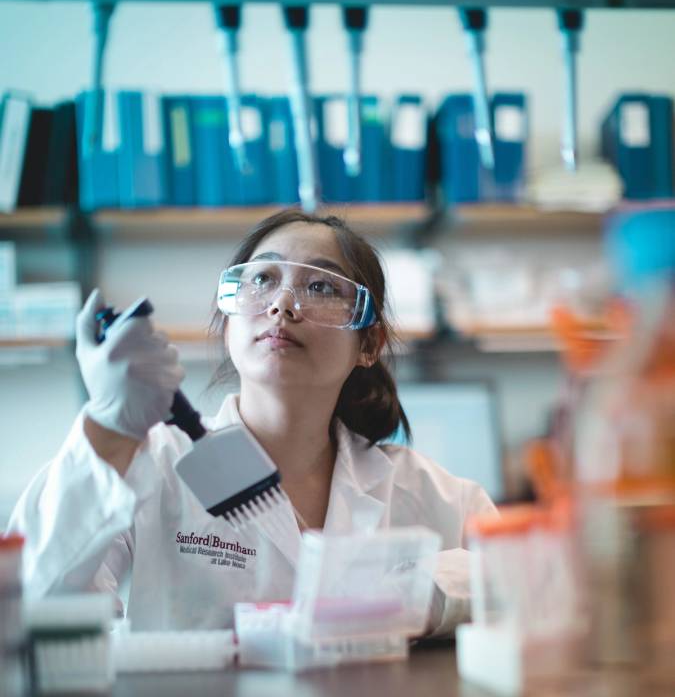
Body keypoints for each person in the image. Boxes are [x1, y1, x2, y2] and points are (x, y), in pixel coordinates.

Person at [8, 208, 496, 635]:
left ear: (367, 345)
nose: (282, 304)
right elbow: (31, 600)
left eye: (321, 286)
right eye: (262, 279)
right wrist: (110, 428)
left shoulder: (421, 489)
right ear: (228, 325)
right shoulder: (154, 462)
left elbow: (522, 578)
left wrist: (411, 592)